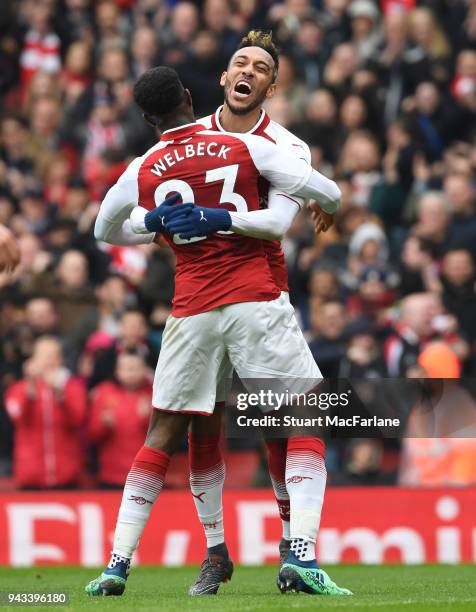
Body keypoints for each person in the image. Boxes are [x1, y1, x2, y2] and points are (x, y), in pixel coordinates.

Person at [86, 65, 350, 597]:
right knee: (303, 412)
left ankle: (117, 564)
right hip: (253, 298)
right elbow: (329, 191)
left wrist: (151, 224)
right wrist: (323, 203)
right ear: (191, 97)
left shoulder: (143, 166)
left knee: (166, 432)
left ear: (146, 118)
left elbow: (102, 230)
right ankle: (301, 552)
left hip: (191, 310)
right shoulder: (243, 145)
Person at [5, 336, 87, 489]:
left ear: (60, 360)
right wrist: (30, 390)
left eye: (54, 356)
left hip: (66, 474)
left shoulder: (73, 387)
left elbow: (78, 419)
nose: (49, 361)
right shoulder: (17, 389)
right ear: (33, 359)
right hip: (31, 474)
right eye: (44, 356)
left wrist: (61, 397)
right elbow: (17, 417)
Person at [89, 351, 152, 488]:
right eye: (128, 368)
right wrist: (104, 425)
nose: (132, 373)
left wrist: (147, 419)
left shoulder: (153, 395)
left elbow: (165, 437)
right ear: (118, 371)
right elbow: (93, 434)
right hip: (111, 475)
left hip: (145, 475)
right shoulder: (104, 392)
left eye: (137, 368)